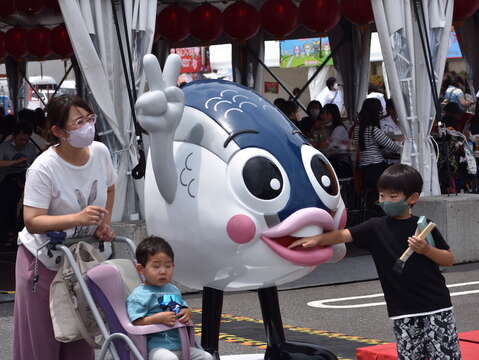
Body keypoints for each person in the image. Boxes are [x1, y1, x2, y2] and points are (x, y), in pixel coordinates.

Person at [289, 164, 461, 360]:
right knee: (410, 356)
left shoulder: (423, 226)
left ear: (412, 198)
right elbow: (344, 235)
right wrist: (316, 240)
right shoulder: (375, 227)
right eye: (381, 196)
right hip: (402, 310)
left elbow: (448, 259)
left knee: (446, 356)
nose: (385, 201)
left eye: (393, 196)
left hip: (437, 306)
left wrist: (426, 249)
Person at [13, 95, 117, 360]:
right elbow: (32, 220)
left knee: (82, 334)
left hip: (81, 261)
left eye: (90, 119)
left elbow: (110, 185)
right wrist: (78, 219)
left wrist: (103, 223)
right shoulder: (43, 168)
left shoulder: (100, 152)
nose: (88, 127)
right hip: (44, 263)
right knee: (42, 341)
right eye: (79, 122)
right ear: (58, 131)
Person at [127, 236, 213, 360]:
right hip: (156, 348)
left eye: (168, 266)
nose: (163, 271)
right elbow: (135, 322)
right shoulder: (139, 295)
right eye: (156, 267)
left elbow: (180, 309)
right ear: (141, 269)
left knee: (206, 357)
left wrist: (186, 311)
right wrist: (156, 319)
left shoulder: (172, 290)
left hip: (181, 345)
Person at [0, 122, 40, 246]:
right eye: (21, 139)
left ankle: (18, 234)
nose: (23, 143)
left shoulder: (31, 148)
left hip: (24, 181)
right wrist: (16, 162)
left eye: (26, 140)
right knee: (5, 209)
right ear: (14, 136)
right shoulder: (4, 147)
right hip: (7, 180)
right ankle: (5, 235)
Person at [323, 104, 352, 178]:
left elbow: (329, 147)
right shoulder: (330, 128)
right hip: (335, 163)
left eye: (326, 114)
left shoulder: (339, 129)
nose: (323, 116)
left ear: (332, 115)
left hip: (341, 165)